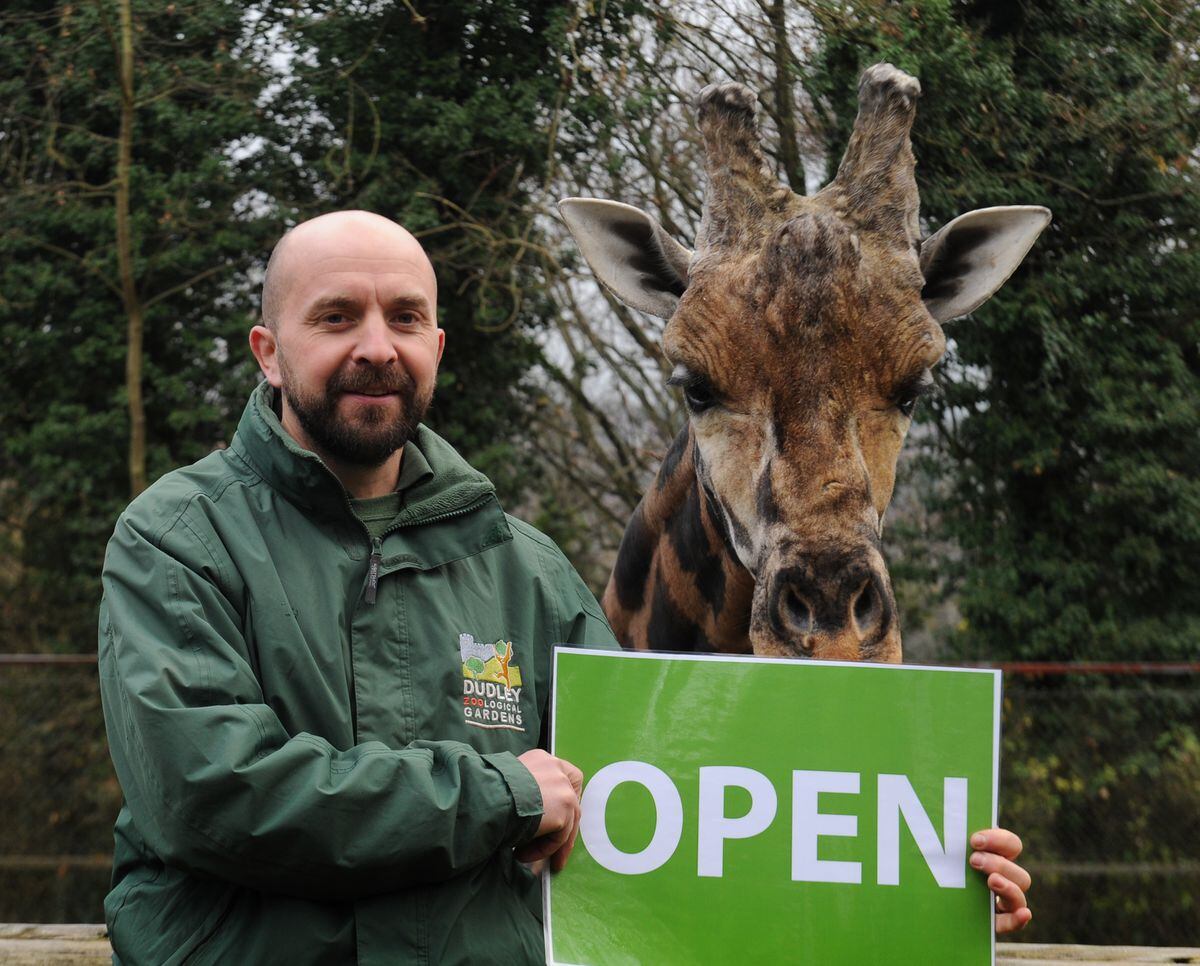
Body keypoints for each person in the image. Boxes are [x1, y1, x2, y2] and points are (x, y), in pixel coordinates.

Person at [98, 210, 1031, 966]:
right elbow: (213, 796)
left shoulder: (524, 570)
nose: (376, 346)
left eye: (405, 318)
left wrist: (920, 875)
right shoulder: (178, 542)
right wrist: (500, 799)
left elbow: (667, 815)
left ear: (437, 345)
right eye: (336, 317)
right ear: (267, 350)